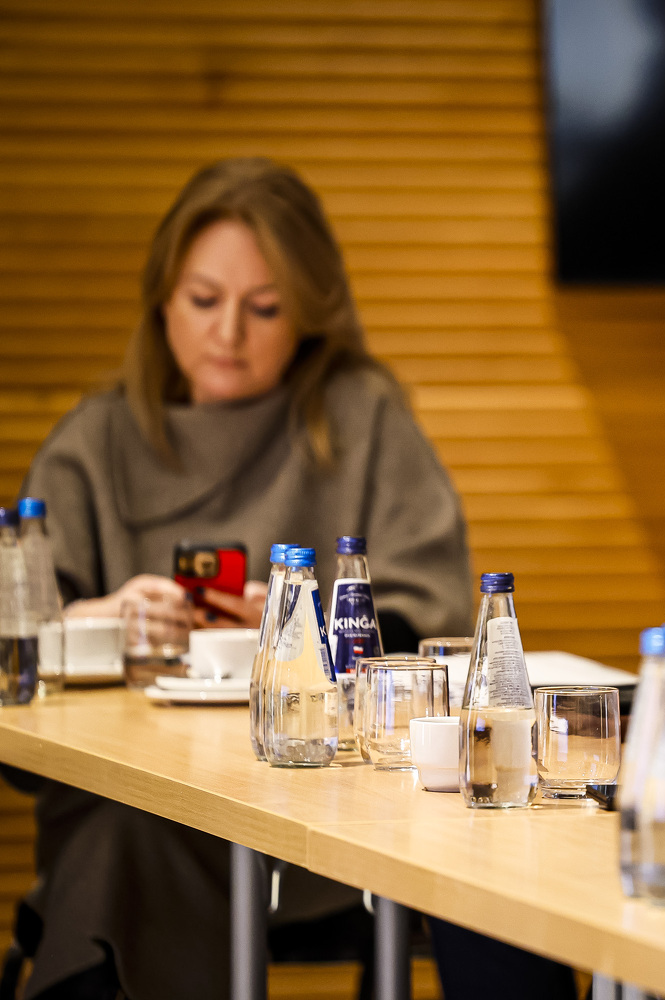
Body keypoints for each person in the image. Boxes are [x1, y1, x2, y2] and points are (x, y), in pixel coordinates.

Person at [17, 158, 473, 999]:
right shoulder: (94, 439)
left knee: (116, 866)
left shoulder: (361, 417)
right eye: (204, 300)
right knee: (122, 843)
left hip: (316, 820)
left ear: (308, 315)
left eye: (264, 308)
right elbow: (16, 671)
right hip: (134, 803)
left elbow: (436, 634)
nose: (229, 332)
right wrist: (101, 620)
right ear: (162, 301)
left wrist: (318, 639)